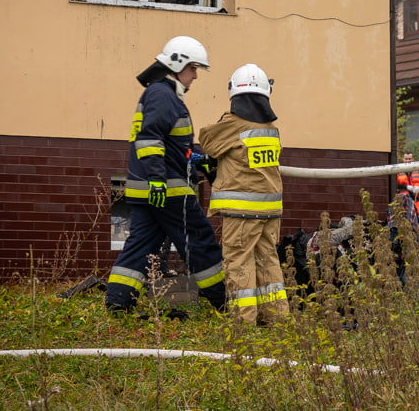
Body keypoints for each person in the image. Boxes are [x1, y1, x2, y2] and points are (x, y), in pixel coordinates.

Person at [105, 36, 226, 314]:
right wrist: (158, 179)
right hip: (168, 190)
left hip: (148, 190)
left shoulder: (159, 94)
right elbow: (150, 139)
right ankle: (223, 301)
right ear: (177, 63)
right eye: (193, 68)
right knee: (200, 240)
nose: (195, 75)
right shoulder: (163, 95)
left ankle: (118, 302)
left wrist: (197, 159)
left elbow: (173, 146)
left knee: (142, 243)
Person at [198, 64, 289, 325]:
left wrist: (225, 118)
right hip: (270, 210)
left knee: (239, 264)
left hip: (242, 211)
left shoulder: (233, 124)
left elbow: (207, 141)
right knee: (268, 262)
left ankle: (243, 325)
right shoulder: (271, 128)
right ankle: (276, 319)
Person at [396, 151, 419, 227]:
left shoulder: (418, 170)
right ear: (403, 159)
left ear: (413, 159)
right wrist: (406, 187)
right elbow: (395, 185)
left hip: (417, 200)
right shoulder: (398, 171)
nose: (408, 161)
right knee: (405, 222)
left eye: (409, 159)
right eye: (406, 159)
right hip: (404, 201)